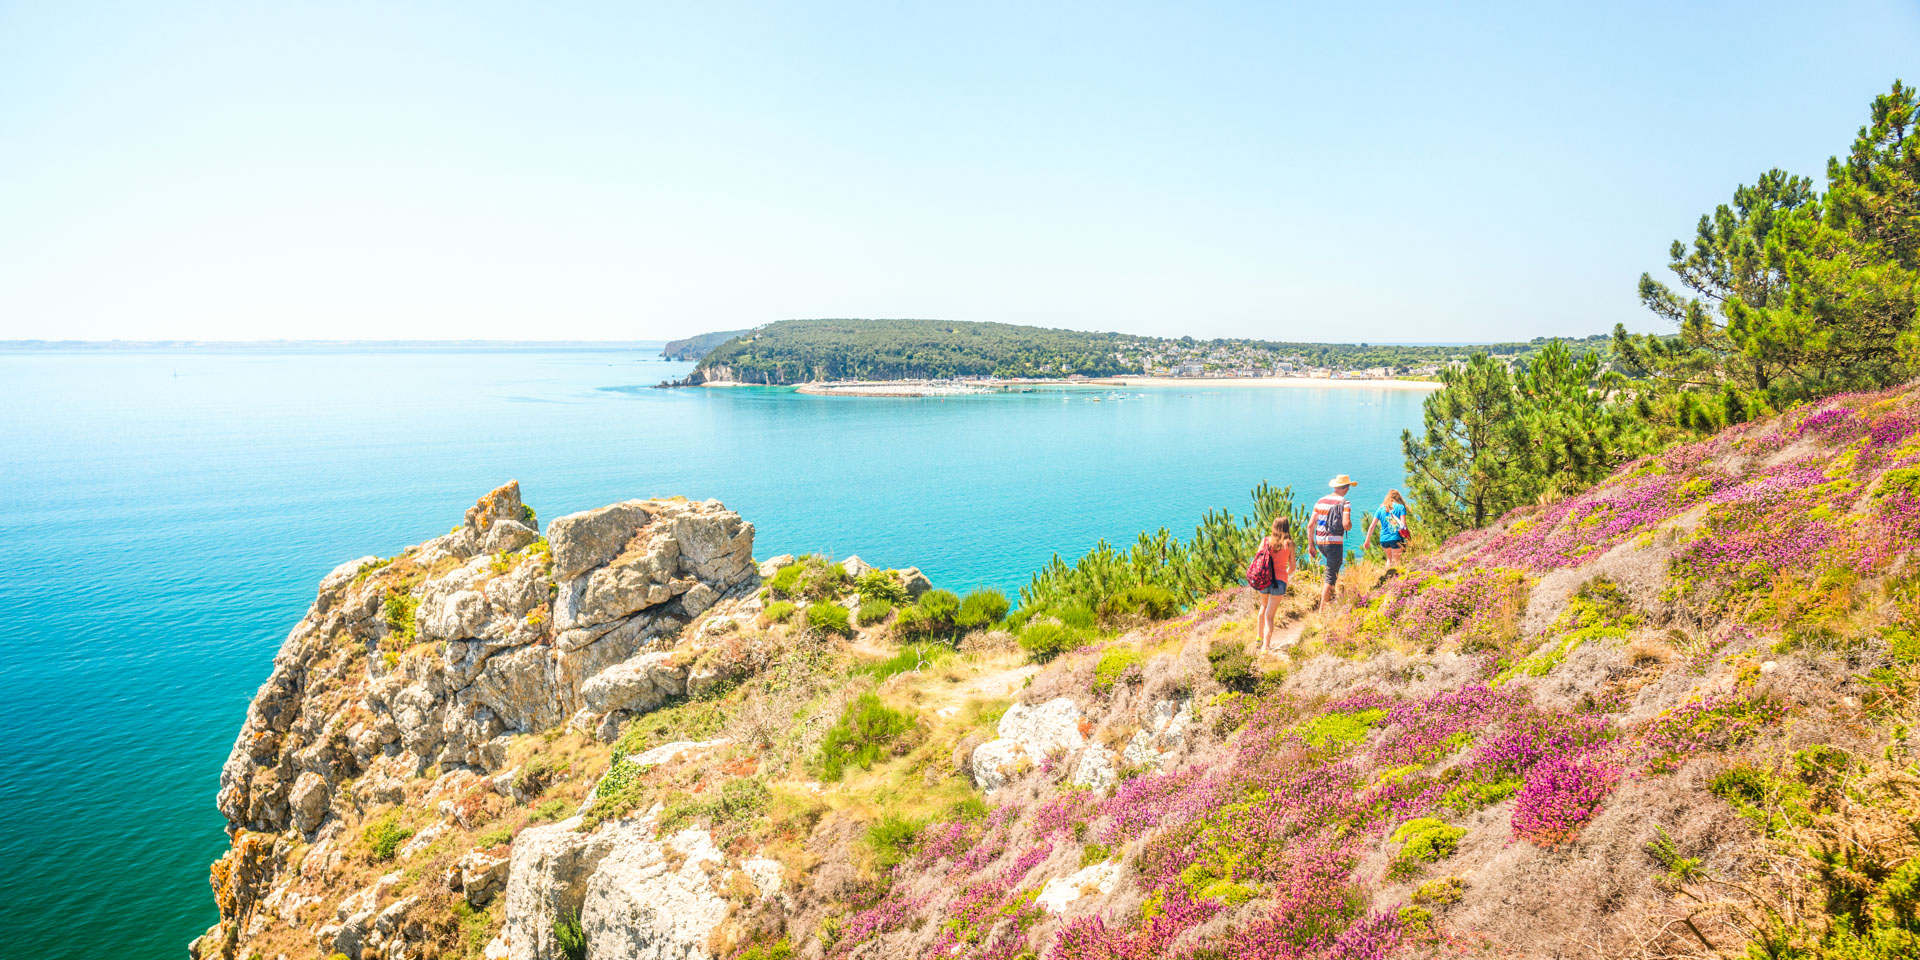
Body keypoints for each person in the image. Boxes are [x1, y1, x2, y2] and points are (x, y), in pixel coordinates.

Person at [1247, 515, 1295, 652]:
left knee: (1263, 607)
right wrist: (1284, 572)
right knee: (1270, 616)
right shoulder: (1290, 544)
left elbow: (1256, 561)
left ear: (1273, 527)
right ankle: (1265, 647)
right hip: (1280, 582)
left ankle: (1258, 638)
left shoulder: (1266, 541)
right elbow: (1292, 567)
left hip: (1265, 579)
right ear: (1287, 528)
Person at [1312, 475, 1357, 607]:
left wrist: (1311, 545)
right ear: (1346, 488)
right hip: (1334, 542)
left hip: (1320, 542)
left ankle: (1331, 599)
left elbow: (1310, 525)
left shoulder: (1320, 501)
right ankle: (1323, 611)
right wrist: (1350, 525)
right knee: (1330, 576)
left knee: (1333, 569)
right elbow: (1346, 524)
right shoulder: (1345, 502)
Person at [1365, 489, 1412, 571]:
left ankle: (1387, 578)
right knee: (1397, 562)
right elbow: (1403, 525)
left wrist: (1367, 540)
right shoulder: (1401, 507)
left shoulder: (1380, 509)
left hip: (1383, 540)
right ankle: (1395, 581)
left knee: (1389, 559)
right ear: (1398, 498)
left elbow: (1372, 526)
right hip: (1396, 538)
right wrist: (1408, 538)